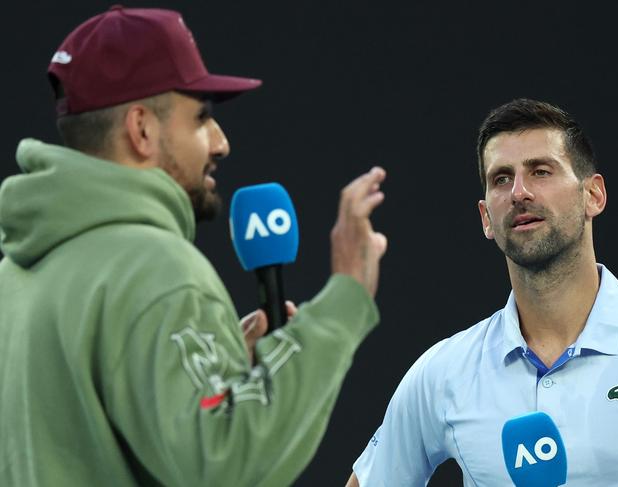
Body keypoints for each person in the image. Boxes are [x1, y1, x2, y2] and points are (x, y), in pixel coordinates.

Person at [0, 6, 388, 487]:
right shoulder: (153, 269)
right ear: (142, 129)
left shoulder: (12, 277)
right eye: (201, 118)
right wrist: (344, 299)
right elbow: (222, 463)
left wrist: (225, 377)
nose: (221, 142)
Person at [347, 98, 618, 486]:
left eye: (541, 171)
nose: (519, 192)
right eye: (501, 179)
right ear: (487, 218)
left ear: (593, 195)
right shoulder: (444, 372)